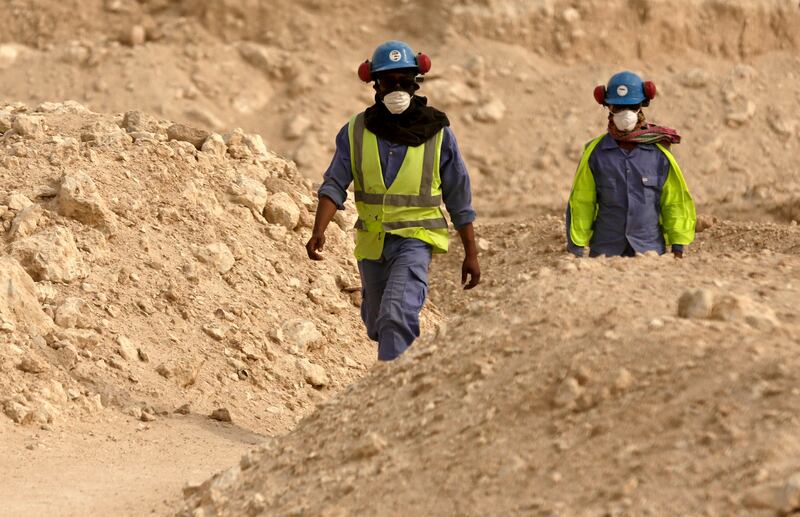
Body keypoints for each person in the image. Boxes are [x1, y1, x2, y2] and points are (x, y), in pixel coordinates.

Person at [305, 40, 480, 361]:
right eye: (389, 81)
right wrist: (319, 229)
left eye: (404, 80)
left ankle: (394, 396)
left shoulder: (438, 132)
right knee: (376, 321)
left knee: (396, 314)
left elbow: (459, 196)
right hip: (372, 244)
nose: (396, 88)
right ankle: (404, 376)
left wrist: (471, 252)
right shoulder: (355, 131)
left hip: (416, 241)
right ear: (375, 83)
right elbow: (334, 183)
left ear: (416, 81)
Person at [566, 71, 696, 258]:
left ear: (642, 106)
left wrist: (678, 246)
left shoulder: (660, 154)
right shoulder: (595, 153)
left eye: (631, 106)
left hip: (649, 252)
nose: (625, 113)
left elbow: (674, 201)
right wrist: (576, 246)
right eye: (618, 107)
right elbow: (581, 202)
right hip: (605, 252)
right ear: (608, 107)